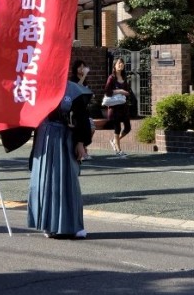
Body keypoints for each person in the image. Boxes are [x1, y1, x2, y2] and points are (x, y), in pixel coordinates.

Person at [27, 78, 93, 239]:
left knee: (68, 181)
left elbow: (81, 118)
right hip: (44, 137)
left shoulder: (74, 90)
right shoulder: (39, 85)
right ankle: (47, 224)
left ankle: (74, 225)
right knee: (44, 181)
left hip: (66, 139)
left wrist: (80, 142)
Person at [104, 58, 131, 157]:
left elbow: (128, 92)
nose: (121, 65)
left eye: (122, 63)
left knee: (127, 128)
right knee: (117, 128)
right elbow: (107, 91)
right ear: (114, 66)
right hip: (114, 107)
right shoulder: (111, 78)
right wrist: (119, 91)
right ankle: (118, 150)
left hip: (123, 107)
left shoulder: (124, 77)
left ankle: (114, 141)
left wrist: (126, 93)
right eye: (119, 63)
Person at [69, 59, 95, 160]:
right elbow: (77, 88)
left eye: (83, 66)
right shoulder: (73, 79)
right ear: (75, 68)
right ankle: (82, 151)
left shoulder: (85, 80)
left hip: (84, 109)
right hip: (76, 109)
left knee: (91, 128)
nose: (82, 69)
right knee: (82, 130)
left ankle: (82, 148)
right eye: (80, 67)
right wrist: (84, 76)